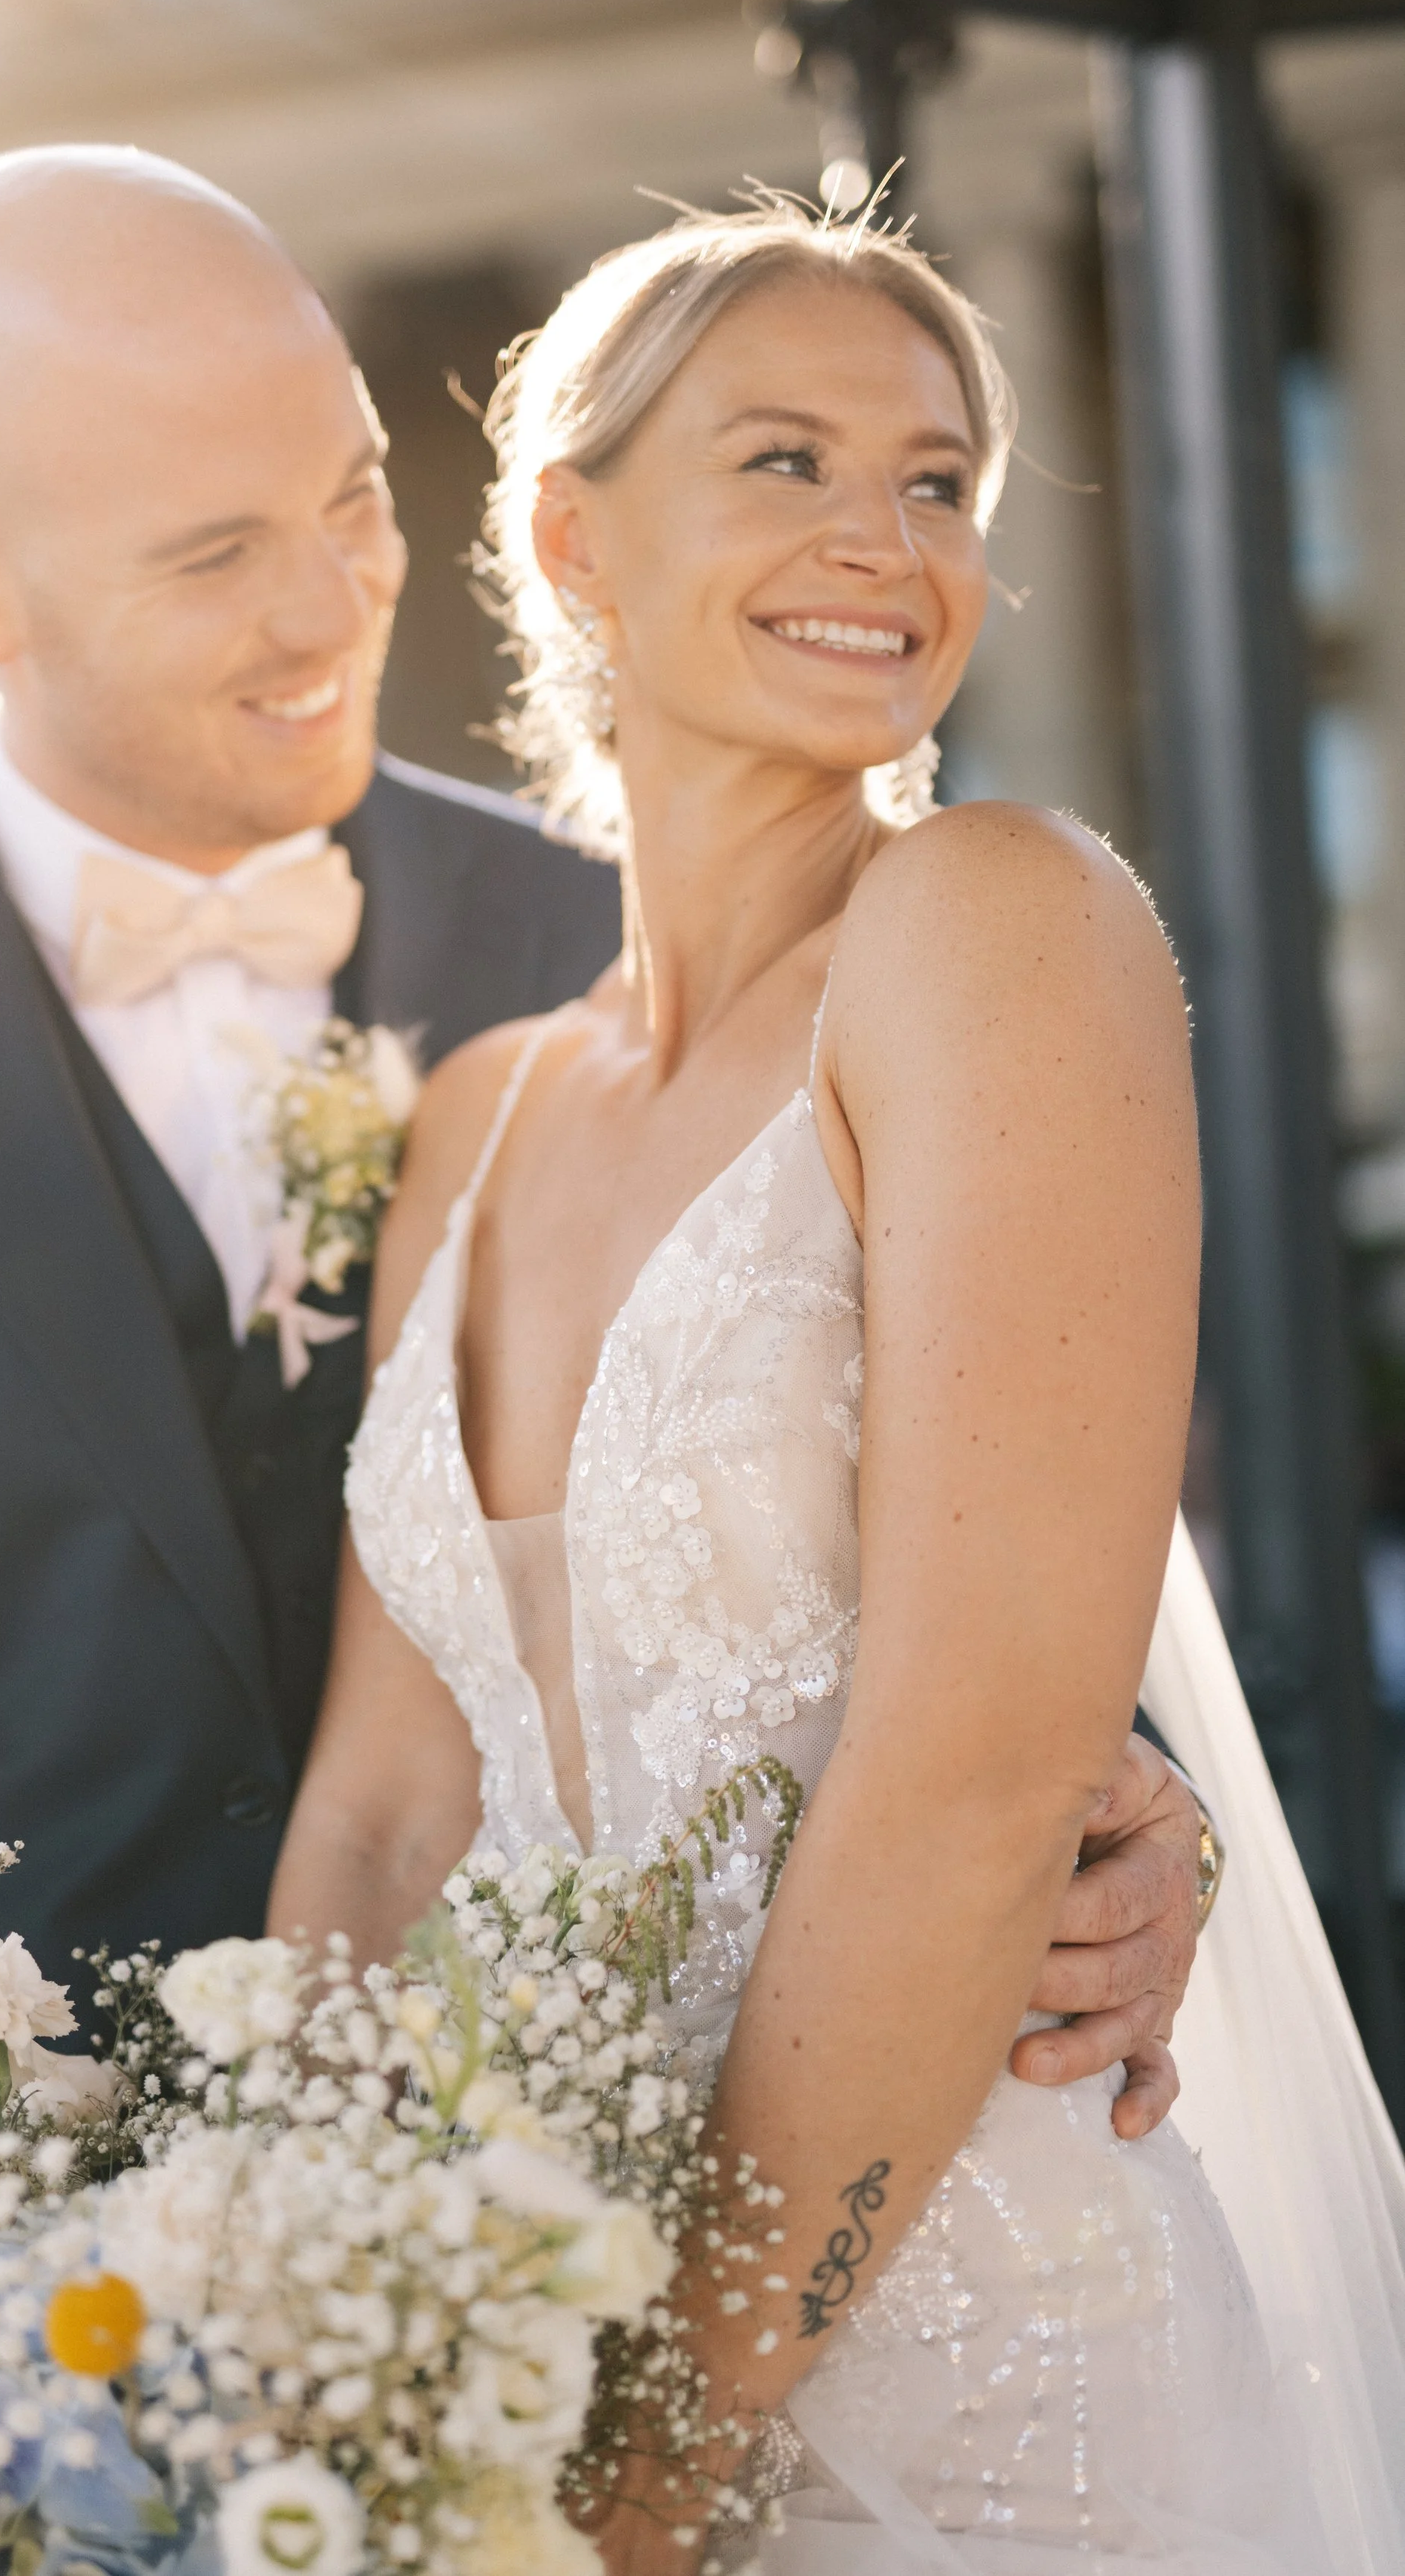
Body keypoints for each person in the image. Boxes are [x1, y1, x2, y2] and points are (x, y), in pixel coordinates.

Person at [0, 151, 1192, 2143]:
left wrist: (1118, 1791)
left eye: (350, 501)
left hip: (595, 2180)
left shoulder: (627, 930)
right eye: (210, 553)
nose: (328, 607)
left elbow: (971, 1484)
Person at [269, 200, 1405, 2567]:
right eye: (783, 458)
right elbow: (385, 1813)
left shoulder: (994, 922)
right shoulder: (472, 1112)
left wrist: (647, 2469)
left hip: (975, 2379)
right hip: (520, 2366)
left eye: (937, 480)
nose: (882, 544)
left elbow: (986, 1774)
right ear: (570, 539)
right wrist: (310, 2349)